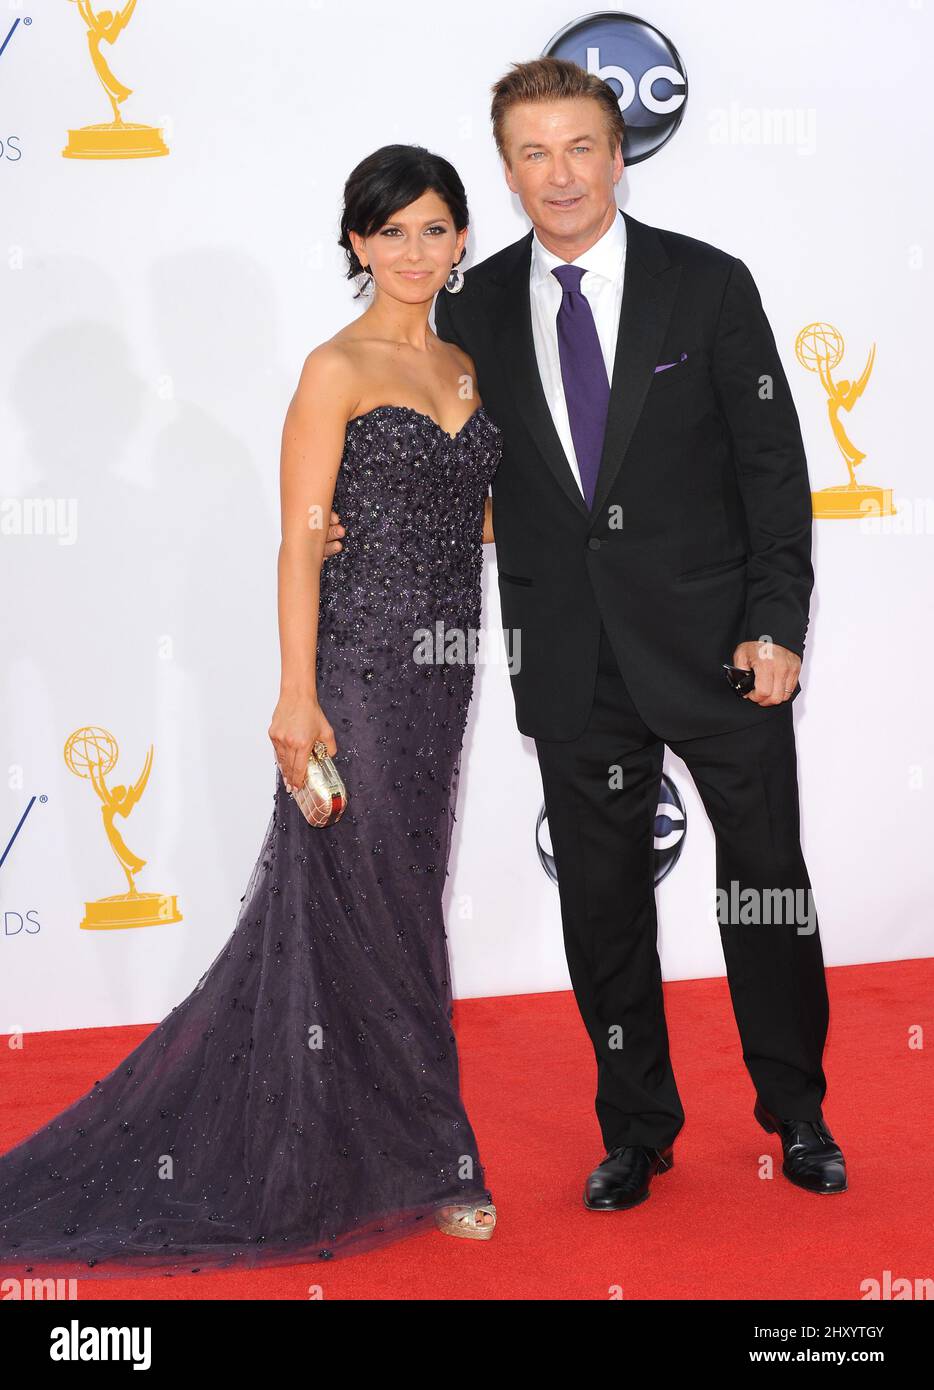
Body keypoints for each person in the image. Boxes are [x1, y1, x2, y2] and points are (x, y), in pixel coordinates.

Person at [330, 56, 847, 1211]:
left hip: (722, 650)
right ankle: (635, 1127)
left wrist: (776, 621)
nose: (557, 174)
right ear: (505, 172)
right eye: (531, 152)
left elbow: (773, 467)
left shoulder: (706, 285)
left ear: (619, 153)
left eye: (578, 147)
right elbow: (433, 468)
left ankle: (797, 1111)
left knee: (764, 883)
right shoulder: (464, 311)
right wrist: (338, 536)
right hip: (570, 658)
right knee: (601, 906)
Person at [0, 145, 499, 1280]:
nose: (414, 251)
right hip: (361, 669)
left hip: (446, 668)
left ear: (462, 237)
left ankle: (389, 1142)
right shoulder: (333, 368)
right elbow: (296, 540)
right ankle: (432, 1155)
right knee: (372, 902)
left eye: (434, 228)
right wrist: (294, 691)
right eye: (391, 232)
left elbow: (468, 522)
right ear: (357, 245)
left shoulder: (471, 368)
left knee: (404, 894)